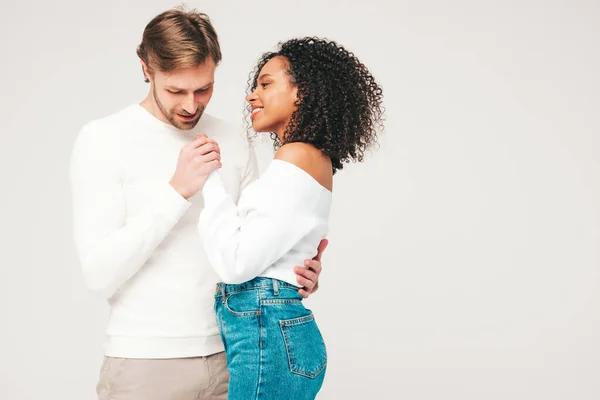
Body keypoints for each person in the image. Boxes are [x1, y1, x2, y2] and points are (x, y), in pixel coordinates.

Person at [69, 9, 326, 400]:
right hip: (146, 365)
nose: (192, 105)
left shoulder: (234, 139)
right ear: (146, 69)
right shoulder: (102, 140)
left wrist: (292, 272)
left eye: (204, 89)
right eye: (176, 91)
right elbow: (99, 273)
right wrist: (177, 191)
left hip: (237, 354)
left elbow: (251, 243)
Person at [198, 37, 384, 399]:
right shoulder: (306, 157)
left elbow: (236, 263)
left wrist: (208, 179)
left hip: (268, 334)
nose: (252, 96)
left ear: (305, 92)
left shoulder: (297, 155)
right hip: (276, 332)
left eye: (266, 84)